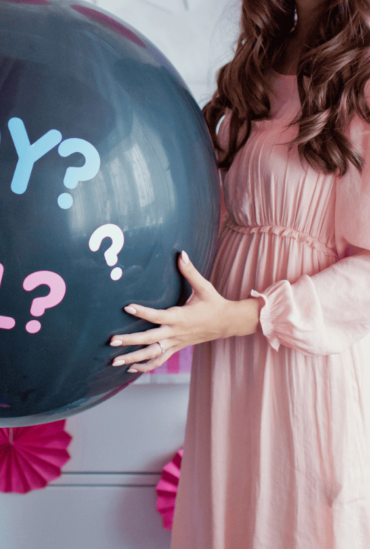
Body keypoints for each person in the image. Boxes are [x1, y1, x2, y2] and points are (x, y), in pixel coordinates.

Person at [111, 0, 370, 547]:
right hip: (228, 359)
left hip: (303, 364)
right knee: (230, 516)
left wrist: (244, 316)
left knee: (296, 519)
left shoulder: (364, 75)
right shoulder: (260, 60)